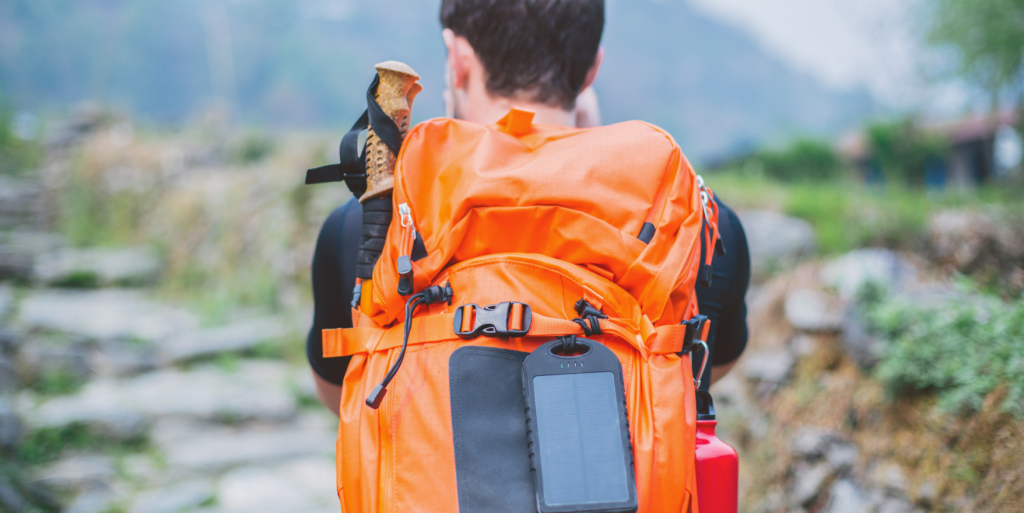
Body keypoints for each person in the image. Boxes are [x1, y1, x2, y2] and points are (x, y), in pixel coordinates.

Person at [307, 0, 750, 415]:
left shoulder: (366, 225)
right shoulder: (699, 229)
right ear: (592, 67)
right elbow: (699, 373)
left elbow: (341, 394)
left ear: (457, 59)